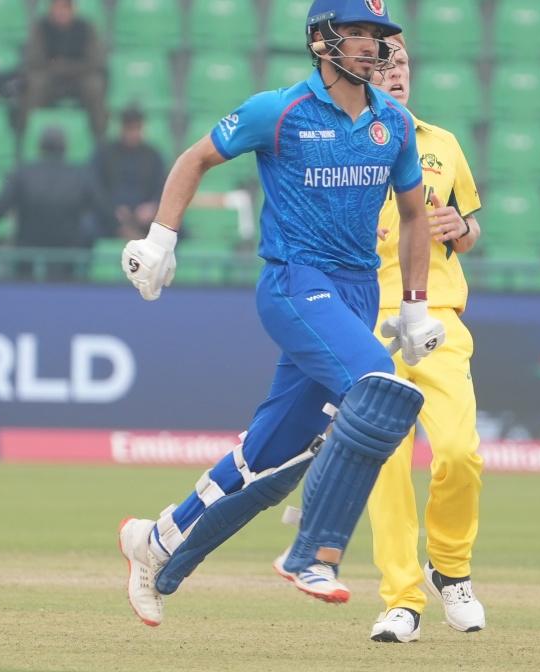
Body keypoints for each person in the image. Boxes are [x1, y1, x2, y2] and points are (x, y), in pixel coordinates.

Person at [116, 0, 446, 628]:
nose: (371, 47)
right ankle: (312, 554)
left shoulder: (395, 125)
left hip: (355, 293)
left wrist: (415, 306)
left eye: (378, 37)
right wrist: (160, 239)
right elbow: (195, 159)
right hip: (295, 281)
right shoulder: (279, 109)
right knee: (378, 382)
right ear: (322, 41)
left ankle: (157, 544)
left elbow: (411, 217)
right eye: (356, 34)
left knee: (270, 461)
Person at [362, 32, 485, 643]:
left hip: (439, 317)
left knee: (459, 451)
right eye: (384, 65)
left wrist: (460, 225)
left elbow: (469, 231)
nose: (397, 73)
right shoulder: (346, 145)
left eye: (403, 63)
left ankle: (450, 570)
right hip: (369, 319)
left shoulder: (442, 144)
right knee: (386, 462)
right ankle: (401, 600)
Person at [0, 126, 109, 281]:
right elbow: (105, 213)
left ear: (39, 147)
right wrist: (130, 237)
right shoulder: (81, 176)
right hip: (67, 263)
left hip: (26, 263)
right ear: (65, 148)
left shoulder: (23, 173)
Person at [22, 0, 107, 138]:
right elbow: (34, 59)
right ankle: (27, 136)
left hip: (78, 79)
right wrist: (61, 67)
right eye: (57, 7)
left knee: (95, 86)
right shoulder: (41, 28)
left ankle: (100, 139)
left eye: (66, 7)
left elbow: (95, 61)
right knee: (33, 84)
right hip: (50, 79)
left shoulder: (86, 27)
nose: (61, 12)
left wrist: (62, 66)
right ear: (51, 9)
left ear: (73, 10)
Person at [92, 106, 166, 240]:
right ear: (121, 128)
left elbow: (163, 185)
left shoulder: (153, 156)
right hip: (110, 217)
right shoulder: (105, 154)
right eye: (129, 129)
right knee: (88, 226)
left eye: (137, 128)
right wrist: (112, 209)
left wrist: (152, 206)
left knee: (173, 231)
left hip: (146, 217)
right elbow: (95, 187)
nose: (133, 133)